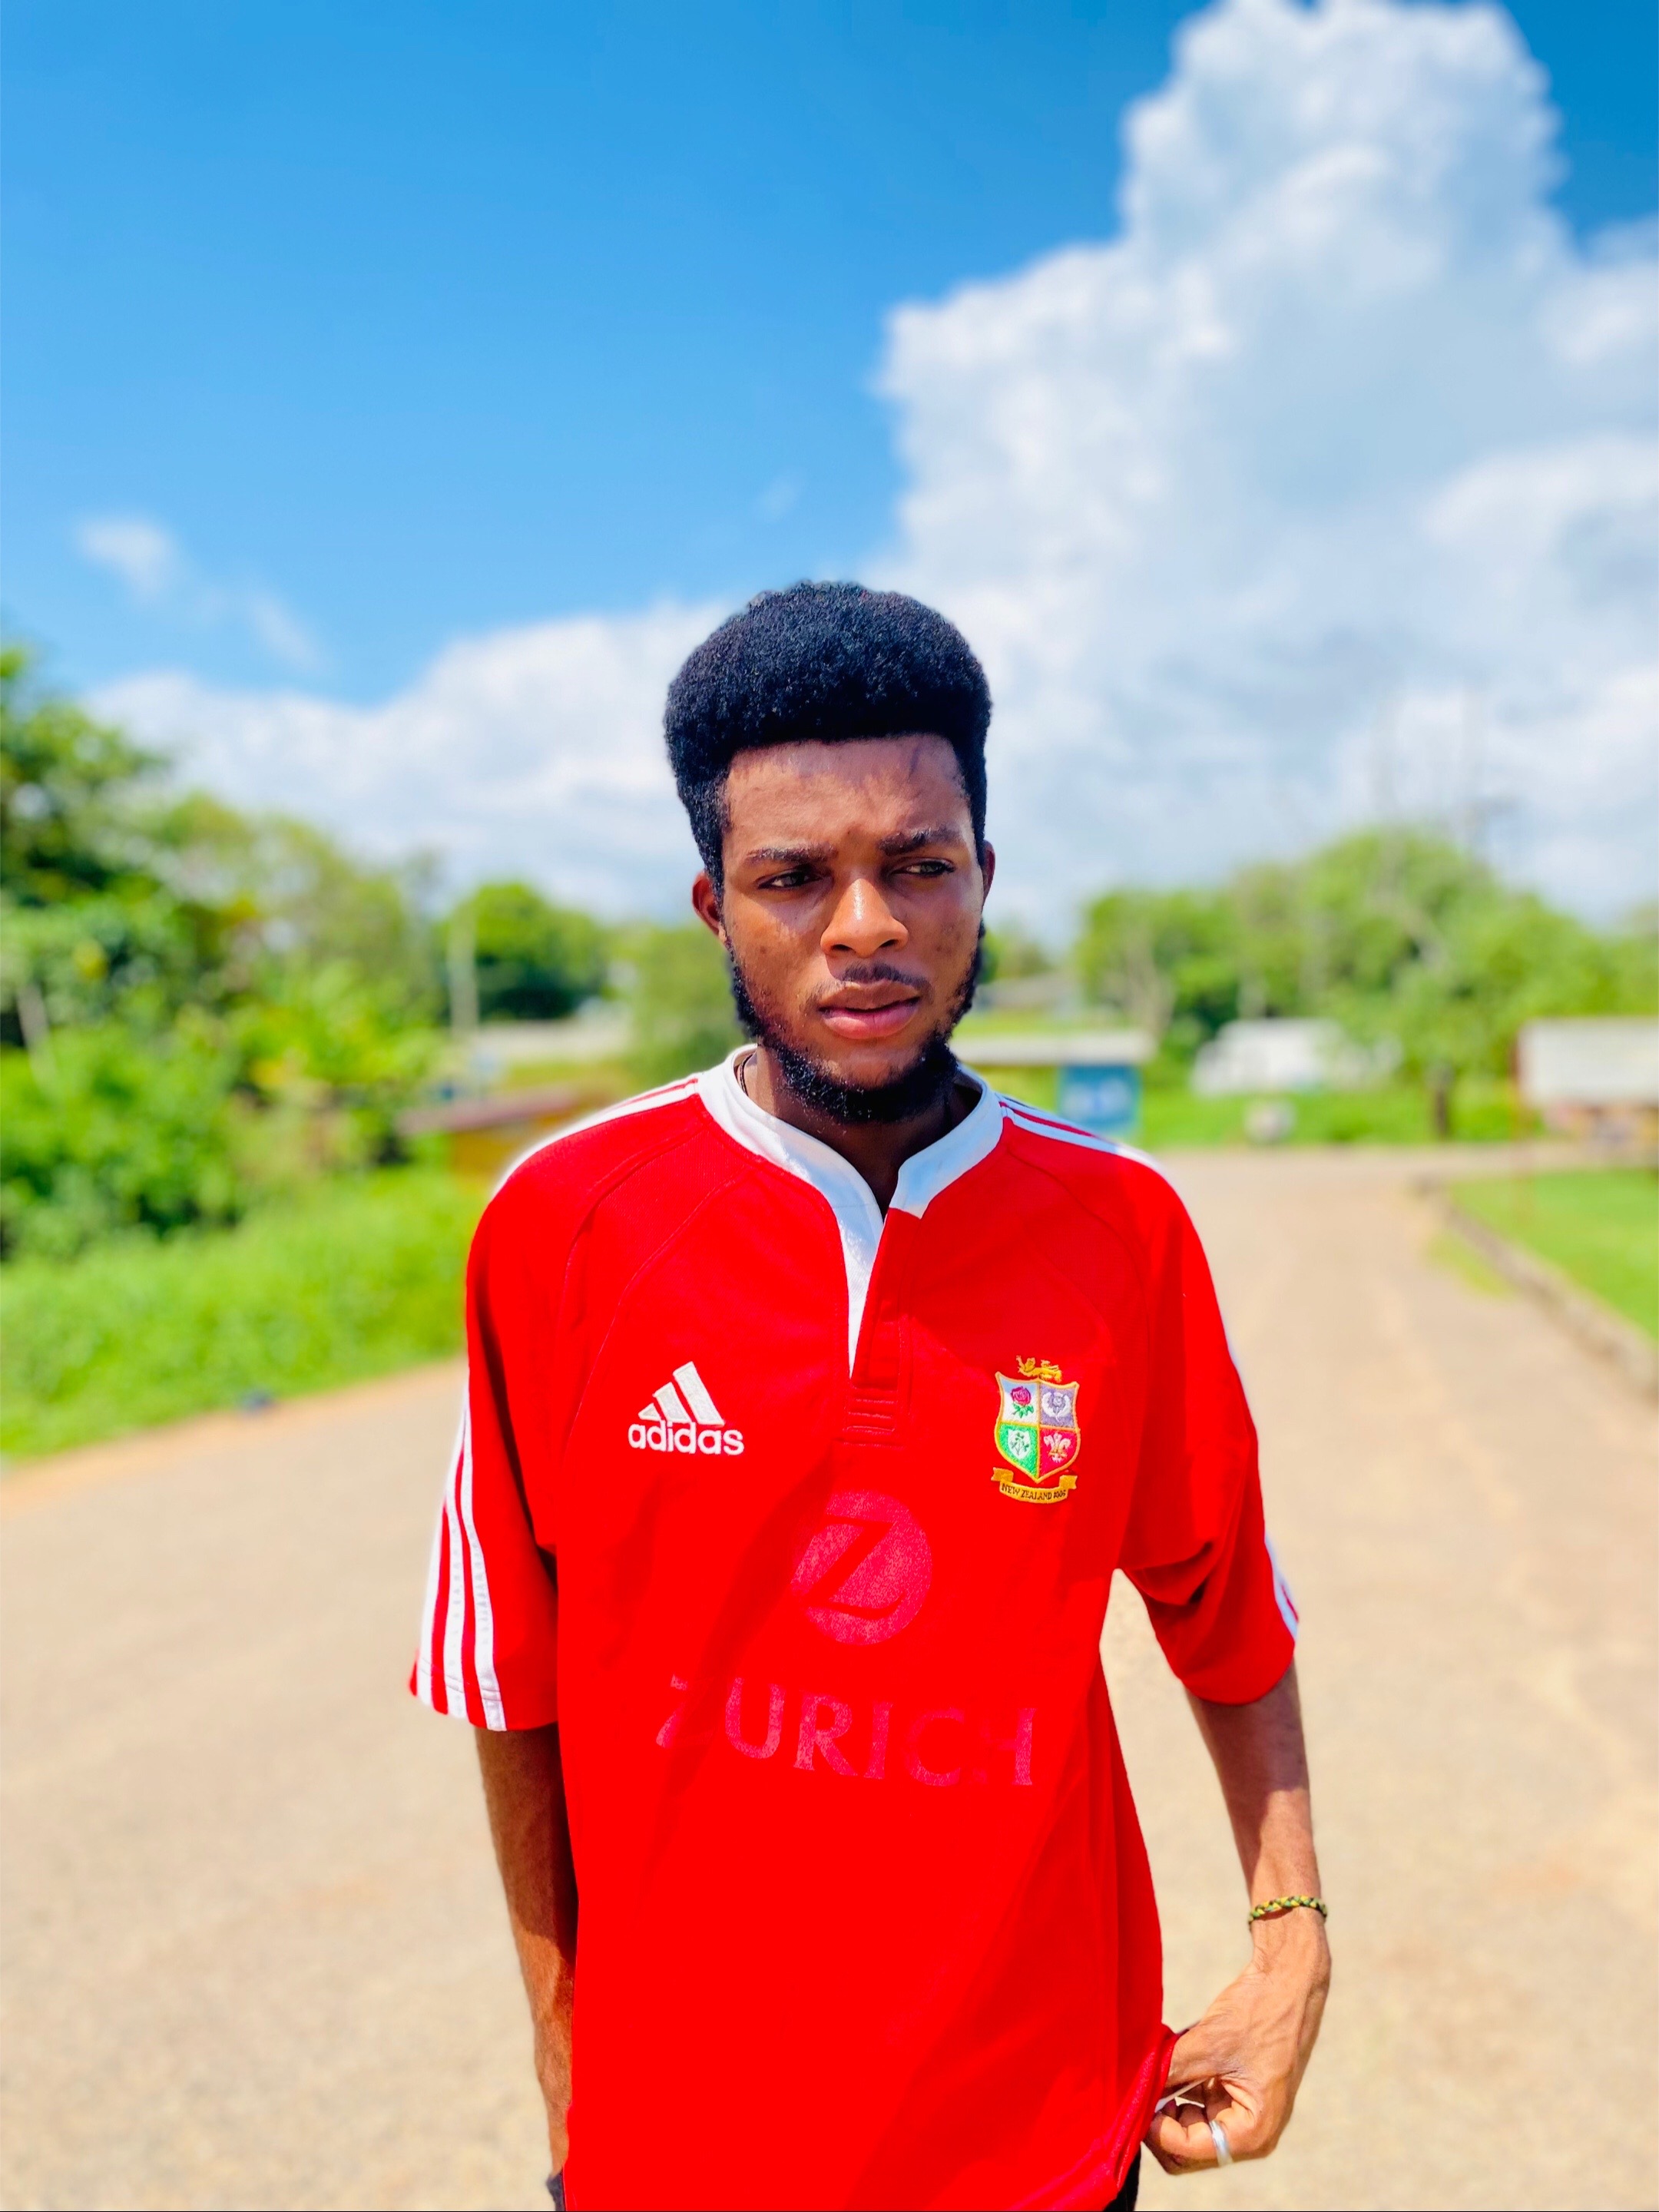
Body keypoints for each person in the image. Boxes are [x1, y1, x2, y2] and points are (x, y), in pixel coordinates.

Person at [412, 583, 1330, 2211]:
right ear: (715, 905)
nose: (865, 926)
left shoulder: (1121, 1228)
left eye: (918, 864)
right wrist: (566, 2070)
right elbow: (513, 1677)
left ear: (984, 877)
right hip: (680, 2148)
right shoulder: (563, 1224)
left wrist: (1291, 1943)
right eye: (794, 878)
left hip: (1044, 2131)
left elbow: (1226, 1607)